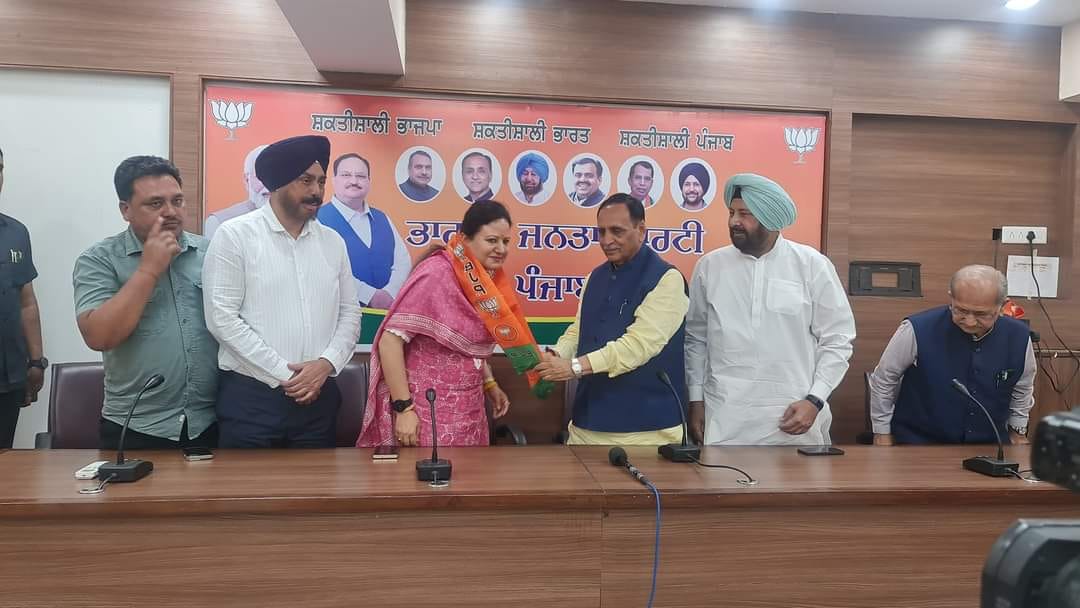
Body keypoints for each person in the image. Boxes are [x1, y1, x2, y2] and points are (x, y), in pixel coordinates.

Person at [203, 135, 362, 448]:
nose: (316, 191)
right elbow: (222, 319)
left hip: (319, 398)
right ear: (276, 183)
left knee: (316, 482)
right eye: (305, 180)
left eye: (321, 181)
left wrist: (326, 364)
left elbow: (349, 312)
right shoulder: (235, 235)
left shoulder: (333, 242)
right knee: (250, 482)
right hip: (253, 400)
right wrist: (286, 375)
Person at [356, 200, 552, 448]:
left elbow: (467, 344)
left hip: (470, 410)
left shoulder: (484, 280)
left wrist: (489, 383)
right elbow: (390, 341)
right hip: (426, 411)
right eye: (492, 240)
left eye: (506, 241)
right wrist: (404, 409)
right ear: (466, 239)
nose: (501, 249)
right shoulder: (437, 273)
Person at [685, 173, 855, 445]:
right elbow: (696, 339)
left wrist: (815, 399)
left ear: (771, 217)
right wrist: (696, 400)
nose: (734, 221)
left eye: (745, 214)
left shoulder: (812, 265)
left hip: (795, 418)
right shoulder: (710, 266)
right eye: (731, 212)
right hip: (725, 418)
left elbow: (838, 340)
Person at [74, 155, 218, 450]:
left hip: (211, 420)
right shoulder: (99, 260)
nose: (171, 212)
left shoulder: (211, 252)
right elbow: (99, 336)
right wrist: (148, 270)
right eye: (155, 203)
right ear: (125, 210)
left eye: (177, 201)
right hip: (136, 425)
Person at [535, 194, 689, 445]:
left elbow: (637, 347)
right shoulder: (595, 277)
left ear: (641, 230)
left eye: (617, 231)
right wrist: (555, 354)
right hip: (586, 425)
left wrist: (574, 367)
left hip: (647, 433)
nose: (607, 241)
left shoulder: (667, 279)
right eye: (601, 232)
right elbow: (579, 331)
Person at [869, 265, 1034, 446]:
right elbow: (884, 379)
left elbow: (1022, 388)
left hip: (989, 446)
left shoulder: (1019, 337)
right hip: (919, 443)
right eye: (961, 310)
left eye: (981, 314)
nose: (970, 321)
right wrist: (881, 433)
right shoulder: (916, 329)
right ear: (951, 298)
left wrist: (1018, 431)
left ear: (1002, 306)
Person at [319, 153, 411, 309]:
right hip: (337, 313)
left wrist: (390, 293)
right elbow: (323, 268)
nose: (354, 181)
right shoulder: (317, 220)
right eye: (346, 175)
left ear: (369, 181)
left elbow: (403, 261)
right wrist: (369, 295)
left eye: (361, 176)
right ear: (334, 180)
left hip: (386, 313)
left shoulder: (382, 218)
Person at [0, 147, 45, 449]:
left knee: (5, 462)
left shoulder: (16, 232)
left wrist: (36, 361)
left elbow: (27, 301)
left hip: (9, 376)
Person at [204, 144, 269, 241]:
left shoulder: (292, 220)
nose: (269, 186)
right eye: (261, 176)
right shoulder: (219, 222)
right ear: (247, 180)